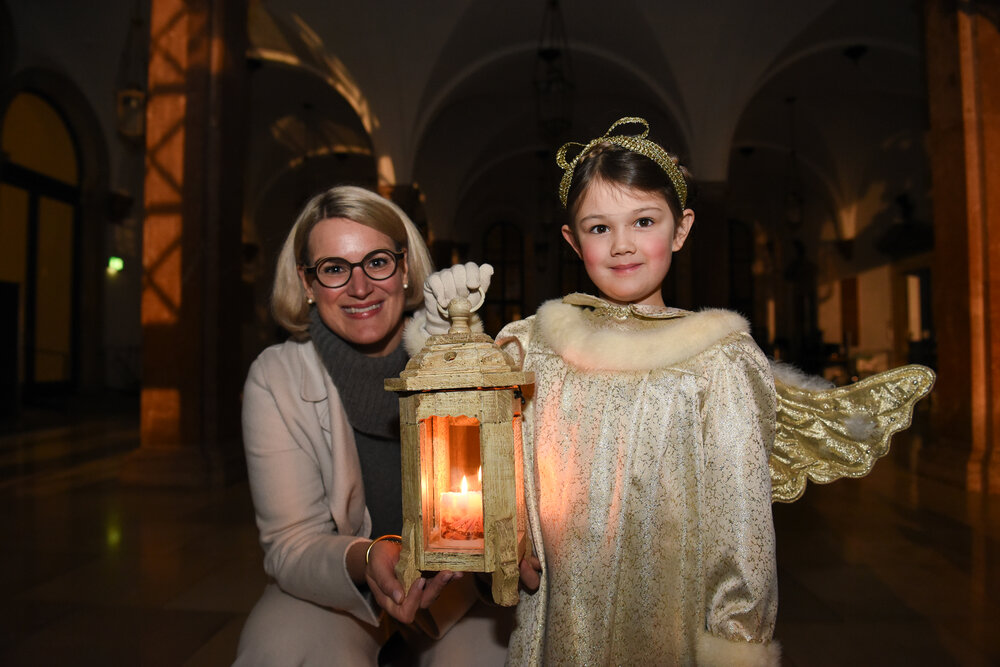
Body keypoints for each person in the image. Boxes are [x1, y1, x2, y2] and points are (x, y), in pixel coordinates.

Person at [420, 118, 779, 665]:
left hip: (671, 621)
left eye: (643, 221)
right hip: (563, 616)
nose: (622, 245)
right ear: (571, 240)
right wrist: (509, 533)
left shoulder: (717, 361)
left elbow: (741, 522)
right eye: (598, 228)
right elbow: (482, 446)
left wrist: (737, 638)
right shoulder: (535, 348)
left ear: (680, 229)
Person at [235, 185, 508, 666]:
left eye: (377, 262)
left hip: (458, 588)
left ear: (404, 269)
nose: (360, 288)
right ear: (306, 283)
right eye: (335, 269)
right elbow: (291, 543)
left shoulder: (458, 355)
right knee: (281, 651)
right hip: (338, 589)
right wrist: (366, 558)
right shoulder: (276, 378)